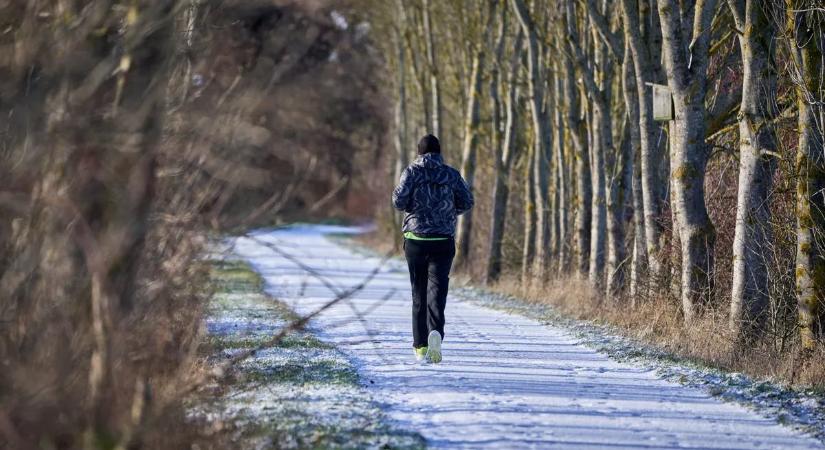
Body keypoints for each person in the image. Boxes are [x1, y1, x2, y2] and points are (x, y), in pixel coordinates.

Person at [391, 134, 474, 363]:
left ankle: (420, 347)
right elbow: (467, 202)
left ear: (419, 152)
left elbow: (398, 202)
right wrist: (447, 214)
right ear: (439, 152)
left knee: (418, 293)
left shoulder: (411, 172)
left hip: (416, 240)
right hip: (442, 241)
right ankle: (435, 333)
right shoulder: (451, 174)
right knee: (437, 293)